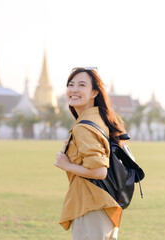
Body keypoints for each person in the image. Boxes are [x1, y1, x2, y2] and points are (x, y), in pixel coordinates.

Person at [54, 67, 126, 240]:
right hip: (104, 205)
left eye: (81, 85)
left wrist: (67, 165)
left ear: (94, 92)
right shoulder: (98, 119)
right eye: (70, 84)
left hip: (91, 208)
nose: (74, 90)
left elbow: (100, 171)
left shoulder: (84, 126)